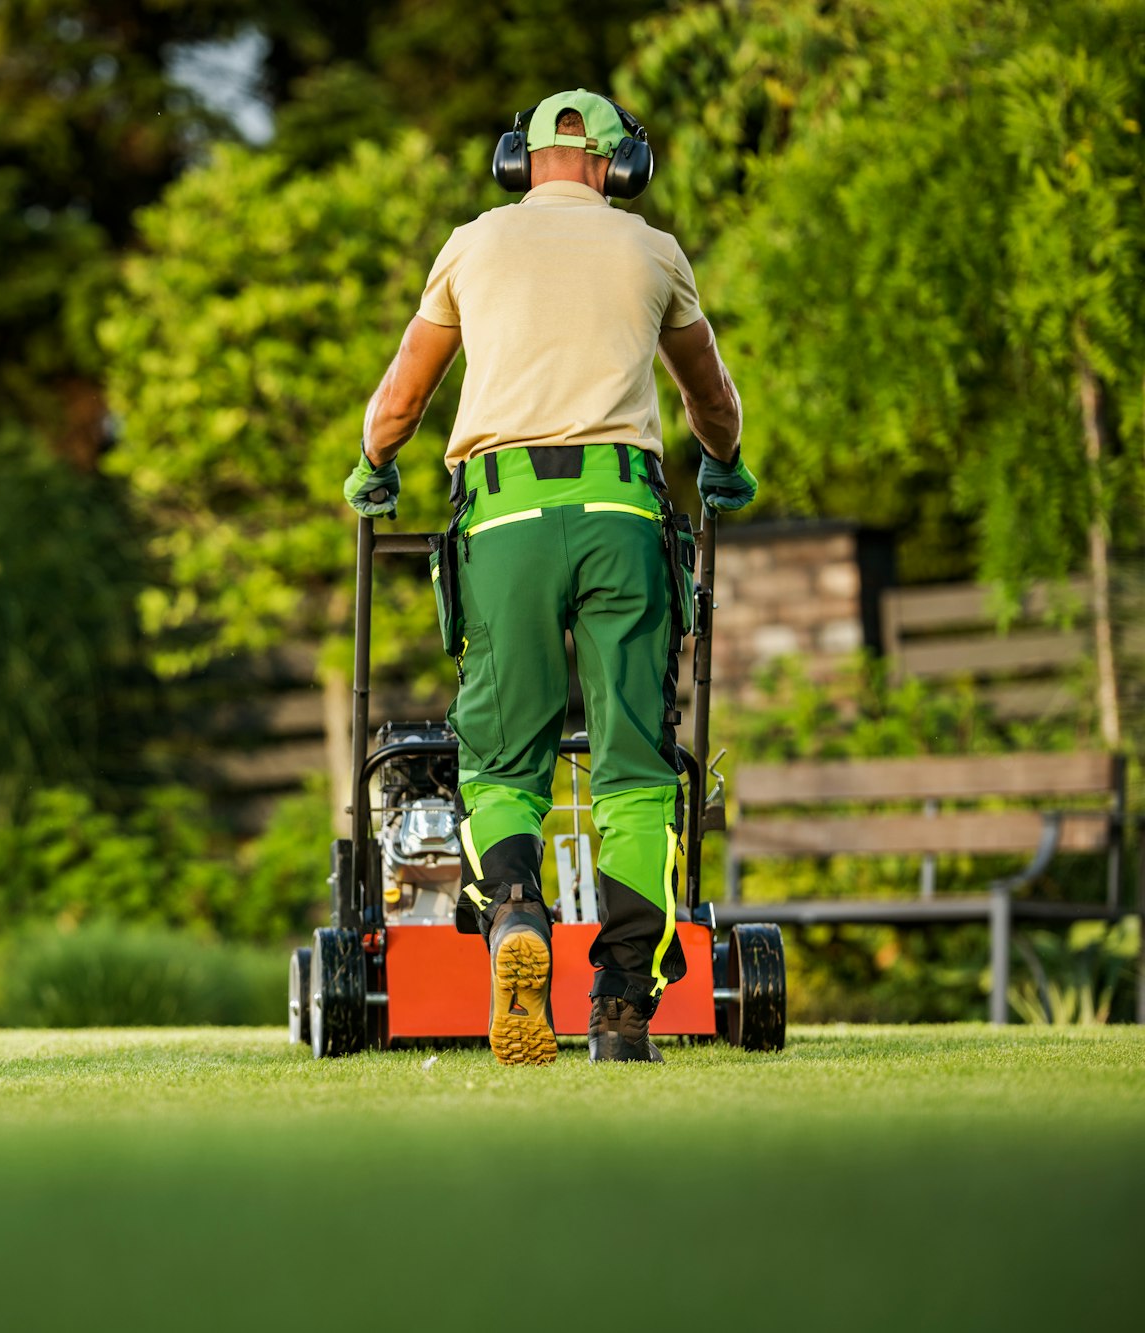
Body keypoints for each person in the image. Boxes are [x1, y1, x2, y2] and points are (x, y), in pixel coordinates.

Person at [342, 90, 757, 1064]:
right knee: (634, 763)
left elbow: (401, 393)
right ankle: (620, 1007)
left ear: (514, 162)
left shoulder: (472, 245)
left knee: (496, 749)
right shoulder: (650, 250)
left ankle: (516, 913)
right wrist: (723, 460)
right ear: (622, 166)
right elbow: (709, 397)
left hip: (504, 513)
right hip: (621, 512)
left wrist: (373, 464)